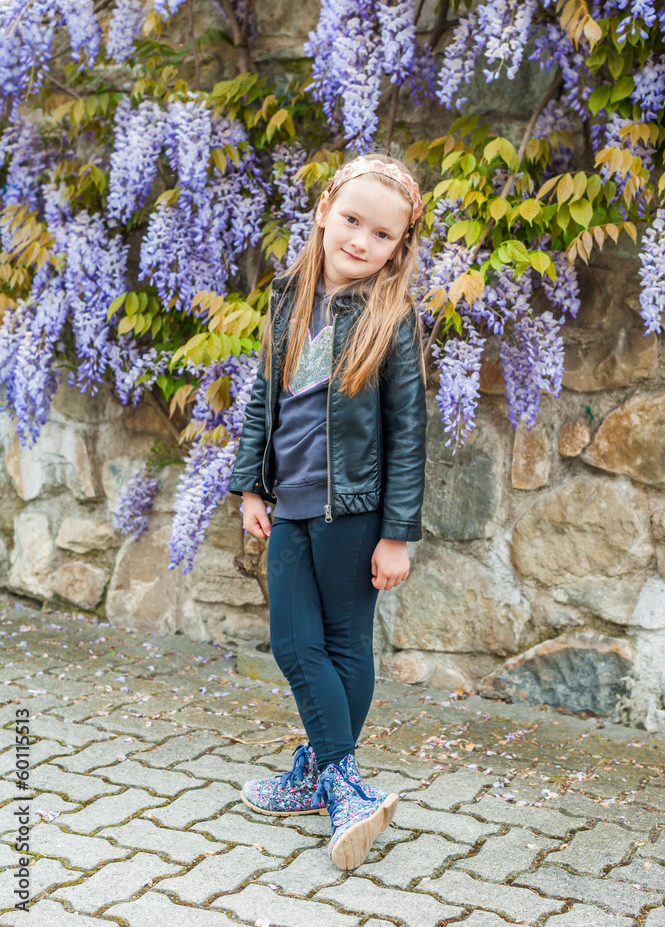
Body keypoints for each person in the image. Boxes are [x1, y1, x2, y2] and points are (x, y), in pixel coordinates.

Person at [227, 152, 427, 870]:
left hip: (354, 514)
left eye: (381, 235)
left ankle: (330, 781)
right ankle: (338, 781)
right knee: (291, 641)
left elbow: (408, 434)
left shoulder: (391, 318)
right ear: (322, 211)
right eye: (351, 221)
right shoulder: (287, 297)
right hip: (290, 503)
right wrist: (251, 484)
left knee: (344, 646)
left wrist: (397, 535)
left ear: (397, 247)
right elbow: (263, 399)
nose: (360, 242)